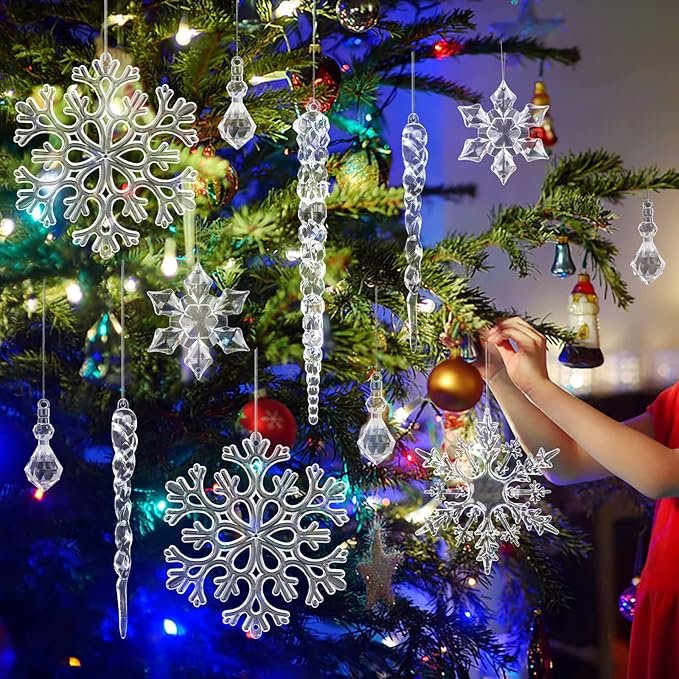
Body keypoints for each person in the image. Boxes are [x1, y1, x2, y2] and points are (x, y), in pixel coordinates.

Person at [482, 317, 679, 679]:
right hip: (665, 611)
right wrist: (501, 380)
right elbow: (566, 461)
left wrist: (538, 386)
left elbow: (662, 475)